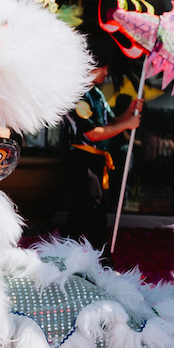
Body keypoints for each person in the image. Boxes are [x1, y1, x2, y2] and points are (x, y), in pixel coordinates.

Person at [63, 65, 143, 259]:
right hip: (81, 160)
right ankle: (103, 261)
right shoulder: (77, 95)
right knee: (95, 209)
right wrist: (127, 124)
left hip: (95, 160)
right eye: (103, 69)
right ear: (90, 67)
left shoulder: (96, 94)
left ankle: (63, 254)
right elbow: (92, 133)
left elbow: (110, 124)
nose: (107, 73)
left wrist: (129, 112)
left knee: (80, 213)